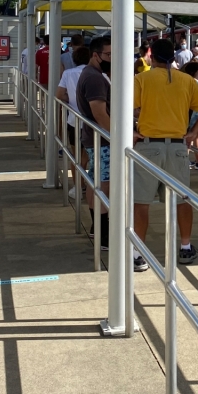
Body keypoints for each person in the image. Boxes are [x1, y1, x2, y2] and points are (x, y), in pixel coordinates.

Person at [134, 39, 198, 266]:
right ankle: (185, 247)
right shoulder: (186, 80)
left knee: (140, 202)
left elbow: (127, 105)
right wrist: (193, 132)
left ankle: (137, 254)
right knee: (182, 200)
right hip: (178, 146)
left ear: (152, 56)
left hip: (148, 145)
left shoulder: (142, 78)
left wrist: (133, 130)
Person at [76, 36, 114, 260]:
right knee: (104, 186)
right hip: (103, 141)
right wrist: (118, 136)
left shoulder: (92, 74)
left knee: (96, 182)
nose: (111, 59)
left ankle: (97, 228)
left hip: (95, 139)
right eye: (108, 55)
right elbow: (99, 112)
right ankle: (103, 234)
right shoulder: (95, 79)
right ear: (95, 55)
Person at [56, 46, 92, 200]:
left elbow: (59, 94)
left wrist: (71, 101)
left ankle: (78, 186)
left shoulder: (68, 73)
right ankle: (90, 185)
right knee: (90, 155)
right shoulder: (97, 74)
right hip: (93, 121)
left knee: (75, 154)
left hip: (74, 119)